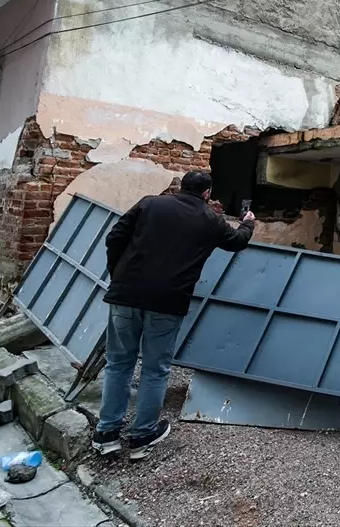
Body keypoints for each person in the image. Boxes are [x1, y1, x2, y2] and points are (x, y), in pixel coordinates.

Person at [93, 170, 255, 459]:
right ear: (207, 193)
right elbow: (236, 242)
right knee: (155, 369)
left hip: (126, 295)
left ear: (181, 187)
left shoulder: (150, 203)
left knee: (118, 363)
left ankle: (106, 433)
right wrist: (248, 224)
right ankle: (142, 436)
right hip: (168, 302)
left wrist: (119, 274)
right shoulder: (211, 220)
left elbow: (114, 237)